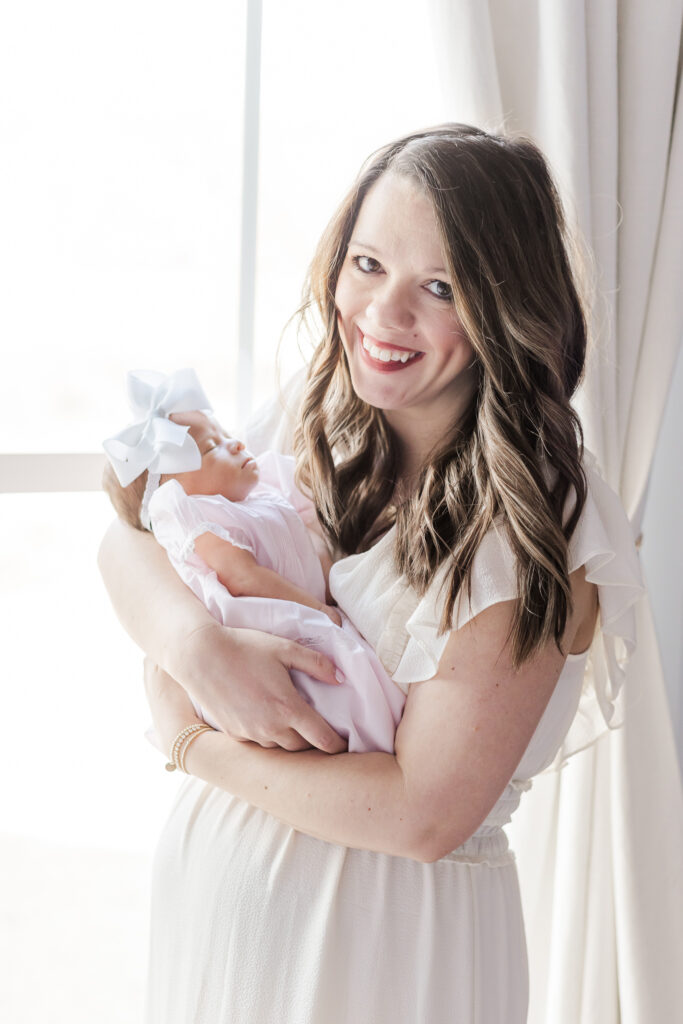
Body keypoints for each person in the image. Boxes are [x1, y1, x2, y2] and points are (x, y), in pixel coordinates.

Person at [98, 124, 643, 1023]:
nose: (383, 315)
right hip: (217, 916)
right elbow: (128, 540)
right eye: (366, 264)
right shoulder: (319, 425)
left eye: (439, 287)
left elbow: (423, 814)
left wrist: (193, 742)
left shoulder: (534, 520)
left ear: (507, 309)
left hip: (383, 948)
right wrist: (194, 646)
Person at [101, 370, 404, 753]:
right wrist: (319, 608)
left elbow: (308, 547)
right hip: (276, 628)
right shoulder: (204, 519)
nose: (236, 443)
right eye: (212, 449)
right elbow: (243, 578)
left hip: (303, 611)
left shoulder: (261, 494)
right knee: (340, 680)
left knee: (352, 672)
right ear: (173, 494)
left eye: (224, 435)